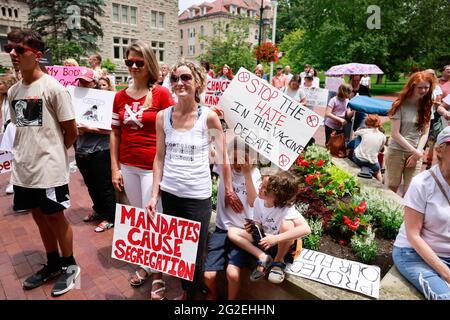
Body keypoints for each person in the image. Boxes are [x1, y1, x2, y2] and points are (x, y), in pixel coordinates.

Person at [146, 61, 243, 300]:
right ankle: (187, 291)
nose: (180, 83)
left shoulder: (208, 117)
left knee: (195, 254)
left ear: (198, 82)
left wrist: (229, 190)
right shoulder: (162, 117)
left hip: (196, 196)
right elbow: (159, 158)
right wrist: (153, 195)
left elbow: (222, 158)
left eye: (186, 78)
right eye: (176, 78)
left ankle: (191, 296)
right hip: (169, 193)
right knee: (177, 250)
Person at [6, 29, 79, 296]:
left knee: (56, 217)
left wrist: (53, 155)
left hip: (49, 171)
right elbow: (24, 129)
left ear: (37, 56)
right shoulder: (14, 91)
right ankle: (52, 263)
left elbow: (71, 132)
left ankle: (70, 268)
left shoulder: (54, 89)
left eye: (20, 49)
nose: (13, 54)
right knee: (38, 217)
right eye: (9, 48)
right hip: (25, 170)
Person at [110, 40, 174, 299]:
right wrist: (114, 168)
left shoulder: (161, 94)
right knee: (138, 216)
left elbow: (172, 129)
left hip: (153, 168)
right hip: (128, 166)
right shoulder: (119, 96)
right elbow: (114, 133)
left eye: (139, 62)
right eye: (129, 62)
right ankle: (146, 264)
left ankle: (158, 274)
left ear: (149, 63)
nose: (134, 66)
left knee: (153, 218)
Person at [392, 126, 450, 300]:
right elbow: (413, 235)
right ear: (440, 150)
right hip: (413, 254)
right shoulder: (422, 184)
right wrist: (447, 274)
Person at [228, 171, 311, 285]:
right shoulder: (259, 201)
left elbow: (306, 229)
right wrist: (253, 226)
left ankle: (278, 261)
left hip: (280, 245)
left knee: (287, 225)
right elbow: (259, 223)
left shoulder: (286, 209)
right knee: (232, 232)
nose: (260, 188)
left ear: (278, 194)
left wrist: (276, 238)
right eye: (261, 184)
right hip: (265, 241)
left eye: (265, 188)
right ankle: (263, 257)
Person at [204, 139, 261, 300]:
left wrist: (247, 172)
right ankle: (212, 295)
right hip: (223, 228)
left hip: (243, 232)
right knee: (208, 276)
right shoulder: (224, 167)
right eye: (233, 159)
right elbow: (210, 150)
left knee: (233, 274)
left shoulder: (255, 174)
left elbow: (252, 202)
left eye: (241, 160)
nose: (237, 164)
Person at [74, 69, 116, 233]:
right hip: (82, 150)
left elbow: (111, 130)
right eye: (80, 81)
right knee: (91, 185)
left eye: (86, 82)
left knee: (104, 186)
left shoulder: (105, 100)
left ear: (94, 83)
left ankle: (109, 217)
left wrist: (89, 128)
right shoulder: (75, 100)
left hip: (100, 150)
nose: (83, 84)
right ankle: (98, 210)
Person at [385, 71, 434, 196]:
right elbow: (395, 134)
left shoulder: (427, 105)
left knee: (411, 190)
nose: (423, 90)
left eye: (426, 87)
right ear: (412, 86)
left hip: (416, 153)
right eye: (420, 87)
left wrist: (418, 152)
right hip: (397, 151)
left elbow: (425, 132)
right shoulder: (400, 104)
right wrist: (414, 151)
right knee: (392, 187)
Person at [351, 114, 386, 181]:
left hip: (358, 159)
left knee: (358, 137)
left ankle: (347, 149)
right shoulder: (383, 136)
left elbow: (355, 133)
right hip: (372, 162)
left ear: (367, 123)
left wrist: (359, 129)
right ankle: (380, 184)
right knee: (378, 171)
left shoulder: (364, 131)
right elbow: (380, 149)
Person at [0, 74, 17, 194]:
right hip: (7, 129)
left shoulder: (15, 96)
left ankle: (13, 182)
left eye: (1, 83)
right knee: (11, 156)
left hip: (15, 129)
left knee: (16, 156)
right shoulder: (4, 98)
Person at [423, 69, 443, 169]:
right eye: (428, 74)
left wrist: (431, 101)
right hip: (421, 114)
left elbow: (438, 102)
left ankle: (429, 159)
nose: (431, 75)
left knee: (431, 138)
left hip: (432, 115)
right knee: (421, 135)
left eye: (432, 74)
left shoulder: (437, 88)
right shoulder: (421, 84)